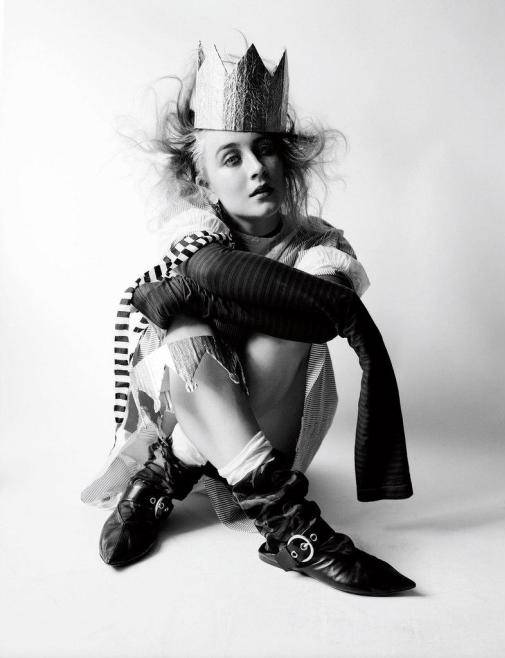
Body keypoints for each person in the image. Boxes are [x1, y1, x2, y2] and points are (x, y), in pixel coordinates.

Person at [81, 41, 416, 596]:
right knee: (186, 326)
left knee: (288, 321)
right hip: (203, 421)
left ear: (286, 159)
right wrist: (208, 289)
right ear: (204, 182)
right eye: (231, 158)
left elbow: (315, 310)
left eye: (265, 149)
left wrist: (211, 294)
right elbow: (209, 267)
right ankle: (290, 525)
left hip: (274, 428)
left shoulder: (322, 246)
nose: (257, 168)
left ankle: (172, 468)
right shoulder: (192, 229)